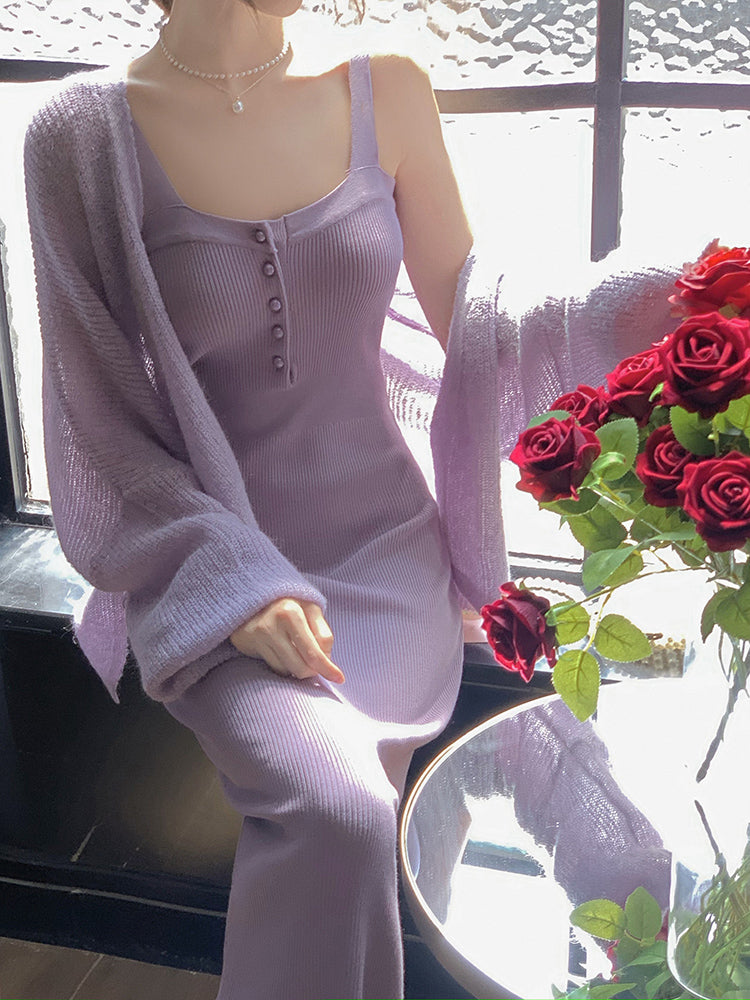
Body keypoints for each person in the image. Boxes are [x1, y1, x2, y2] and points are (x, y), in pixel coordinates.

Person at [22, 1, 684, 996]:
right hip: (211, 572)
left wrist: (661, 301)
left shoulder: (387, 89)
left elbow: (482, 319)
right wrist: (237, 585)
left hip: (389, 554)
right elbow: (105, 426)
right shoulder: (78, 137)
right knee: (337, 814)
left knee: (359, 835)